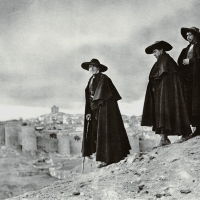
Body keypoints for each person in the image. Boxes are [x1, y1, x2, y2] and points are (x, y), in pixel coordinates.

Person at [81, 58, 131, 168]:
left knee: (106, 134)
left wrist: (101, 108)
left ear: (98, 68)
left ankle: (108, 159)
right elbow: (89, 97)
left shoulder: (104, 79)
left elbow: (108, 98)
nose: (91, 69)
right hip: (94, 112)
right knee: (96, 134)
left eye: (93, 67)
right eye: (90, 67)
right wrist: (88, 112)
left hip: (105, 112)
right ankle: (103, 158)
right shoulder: (91, 80)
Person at [141, 41, 191, 146]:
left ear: (161, 50)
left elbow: (169, 80)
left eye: (155, 52)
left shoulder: (166, 60)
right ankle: (164, 138)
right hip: (162, 94)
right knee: (162, 113)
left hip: (167, 94)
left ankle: (182, 134)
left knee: (169, 111)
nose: (154, 54)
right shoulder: (162, 61)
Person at [177, 27, 200, 137]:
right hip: (189, 79)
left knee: (198, 101)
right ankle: (196, 127)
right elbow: (180, 61)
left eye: (190, 34)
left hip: (197, 78)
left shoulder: (199, 45)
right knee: (191, 102)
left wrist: (190, 61)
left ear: (196, 35)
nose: (188, 37)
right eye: (187, 35)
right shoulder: (187, 48)